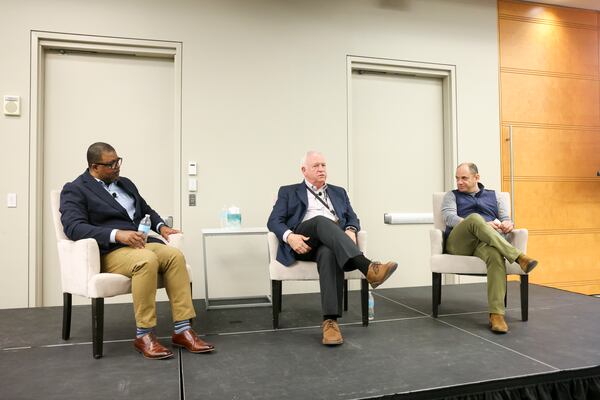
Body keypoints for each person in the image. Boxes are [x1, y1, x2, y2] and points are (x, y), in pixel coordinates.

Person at [60, 142, 214, 359]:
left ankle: (182, 330)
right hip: (109, 251)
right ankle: (144, 334)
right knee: (146, 260)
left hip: (139, 244)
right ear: (95, 167)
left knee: (174, 255)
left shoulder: (124, 184)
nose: (117, 167)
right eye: (111, 164)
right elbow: (74, 227)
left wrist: (162, 228)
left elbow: (146, 210)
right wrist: (117, 234)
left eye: (118, 161)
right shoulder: (75, 189)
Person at [267, 150, 398, 346]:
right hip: (303, 242)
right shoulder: (288, 191)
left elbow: (353, 218)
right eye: (316, 166)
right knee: (321, 220)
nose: (321, 169)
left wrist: (352, 230)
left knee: (328, 253)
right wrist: (290, 237)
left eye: (323, 165)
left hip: (331, 242)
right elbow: (273, 221)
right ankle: (368, 267)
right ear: (304, 170)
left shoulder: (339, 192)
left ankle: (330, 323)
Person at [442, 162, 539, 333]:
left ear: (476, 178)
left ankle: (496, 315)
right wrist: (481, 224)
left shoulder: (495, 196)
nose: (459, 182)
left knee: (495, 255)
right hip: (460, 243)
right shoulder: (452, 195)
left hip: (484, 244)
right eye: (457, 178)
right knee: (474, 218)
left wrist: (508, 224)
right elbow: (449, 217)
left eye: (464, 178)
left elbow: (505, 218)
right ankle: (519, 257)